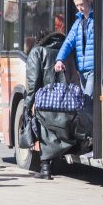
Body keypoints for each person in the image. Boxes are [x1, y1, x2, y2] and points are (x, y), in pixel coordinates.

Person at [53, 0, 103, 99]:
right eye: (77, 5)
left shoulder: (96, 20)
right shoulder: (77, 23)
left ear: (89, 1)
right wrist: (59, 60)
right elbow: (68, 42)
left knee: (87, 101)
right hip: (81, 70)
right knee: (84, 105)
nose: (79, 8)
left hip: (92, 70)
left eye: (81, 4)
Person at [27, 32, 79, 179]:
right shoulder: (68, 51)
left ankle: (45, 169)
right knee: (61, 130)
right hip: (67, 100)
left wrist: (28, 104)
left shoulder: (38, 51)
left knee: (45, 131)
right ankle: (52, 166)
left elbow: (33, 82)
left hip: (47, 100)